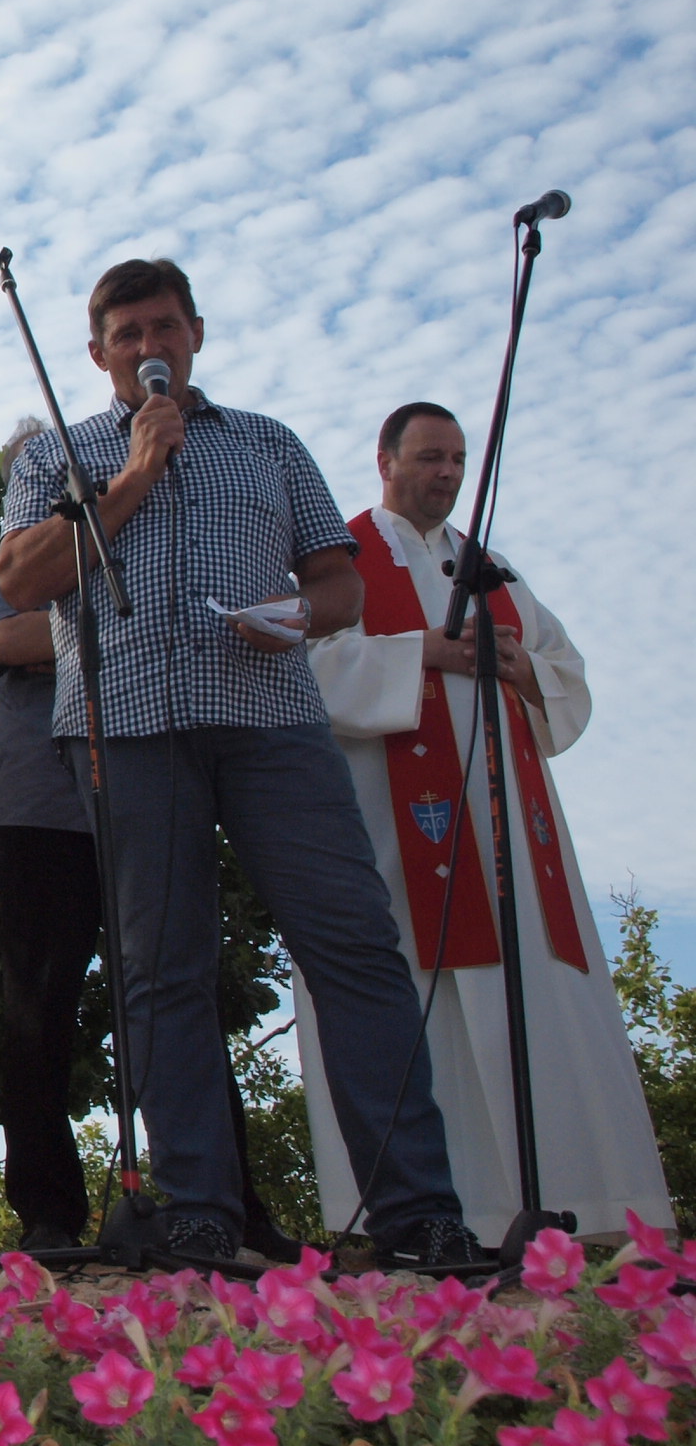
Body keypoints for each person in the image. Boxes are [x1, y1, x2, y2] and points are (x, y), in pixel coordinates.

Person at [0, 259, 481, 1268]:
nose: (146, 347)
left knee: (353, 948)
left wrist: (299, 616)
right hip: (127, 730)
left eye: (162, 327)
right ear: (97, 354)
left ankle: (417, 1214)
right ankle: (199, 1213)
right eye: (125, 334)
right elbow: (24, 578)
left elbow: (337, 584)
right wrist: (131, 478)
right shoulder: (62, 456)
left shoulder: (268, 443)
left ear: (196, 334)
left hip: (271, 725)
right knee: (161, 973)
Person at [299, 403, 670, 1244]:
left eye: (458, 459)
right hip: (401, 830)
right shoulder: (343, 559)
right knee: (419, 1001)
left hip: (513, 840)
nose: (447, 473)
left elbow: (565, 671)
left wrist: (521, 665)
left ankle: (586, 1207)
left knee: (534, 998)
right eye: (430, 456)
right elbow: (305, 665)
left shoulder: (491, 566)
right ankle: (437, 1213)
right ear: (385, 460)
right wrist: (418, 653)